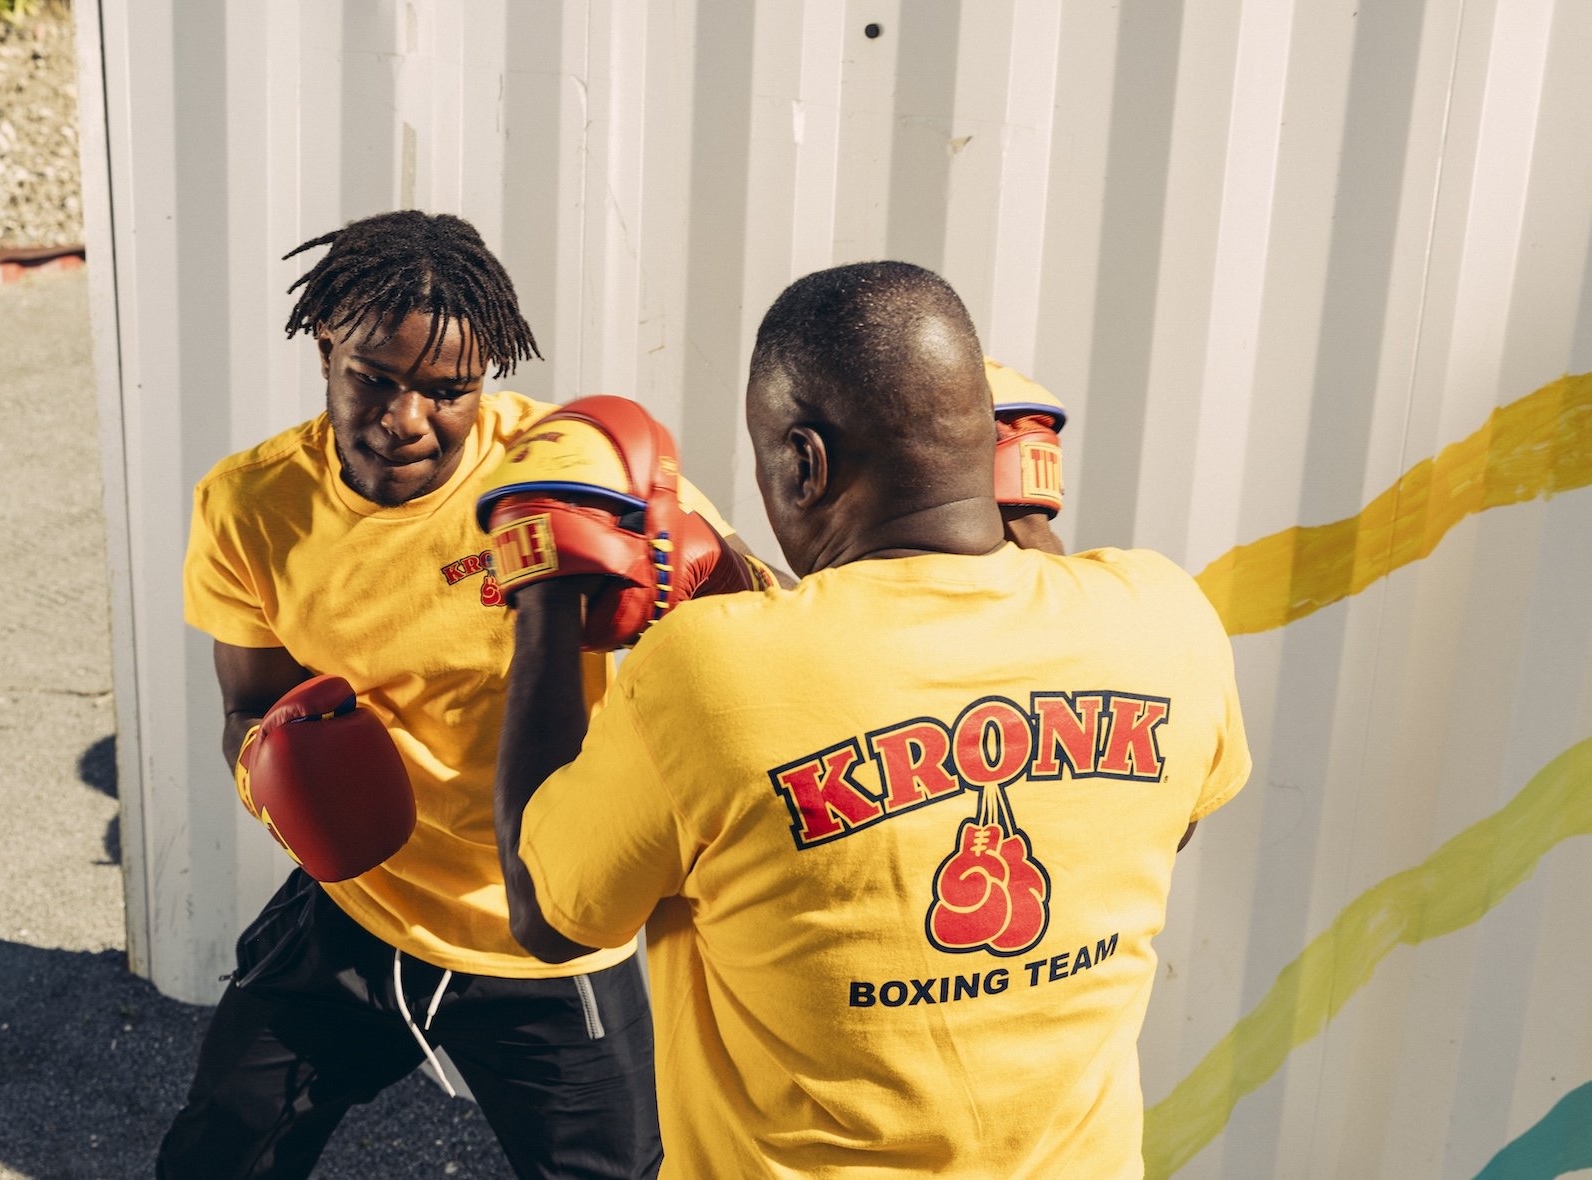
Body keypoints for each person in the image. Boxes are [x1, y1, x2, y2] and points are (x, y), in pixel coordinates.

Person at [491, 261, 1252, 1177]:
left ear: (803, 462)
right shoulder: (1167, 619)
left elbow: (551, 916)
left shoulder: (702, 674)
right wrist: (1025, 525)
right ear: (983, 442)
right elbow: (1159, 822)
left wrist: (543, 595)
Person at [159, 209, 761, 1179]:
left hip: (543, 935)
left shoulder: (571, 477)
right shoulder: (251, 505)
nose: (406, 419)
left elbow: (769, 624)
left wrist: (709, 569)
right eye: (374, 378)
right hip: (359, 907)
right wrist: (280, 777)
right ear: (325, 349)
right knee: (216, 1156)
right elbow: (250, 706)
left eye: (449, 392)